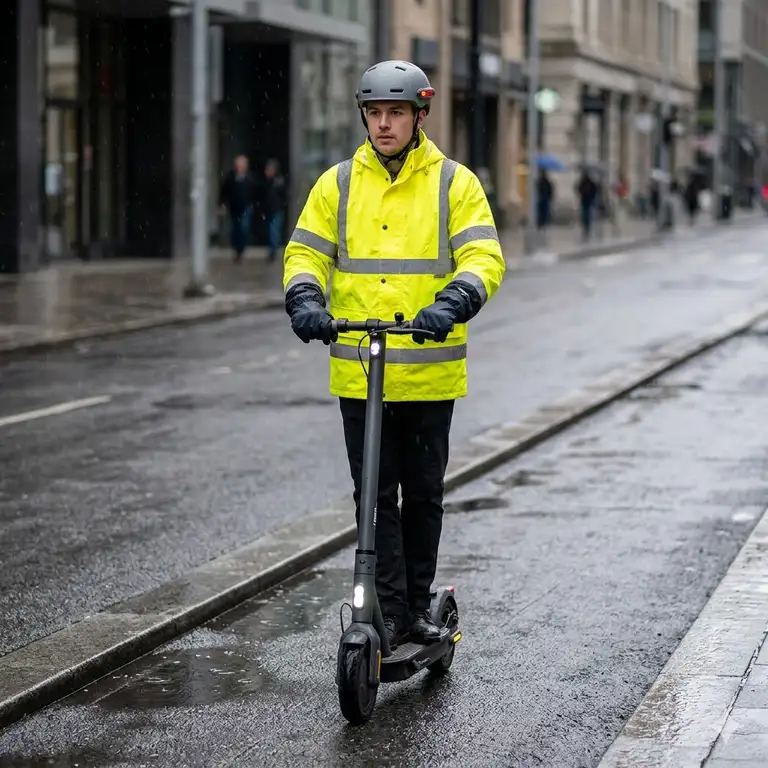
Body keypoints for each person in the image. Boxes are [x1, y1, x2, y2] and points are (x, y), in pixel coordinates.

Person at [282, 60, 505, 648]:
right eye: (375, 113)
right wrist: (304, 296)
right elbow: (306, 250)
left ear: (419, 117)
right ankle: (393, 610)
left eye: (396, 113)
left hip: (429, 373)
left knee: (423, 493)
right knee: (374, 496)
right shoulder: (337, 183)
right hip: (362, 369)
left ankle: (417, 606)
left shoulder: (454, 183)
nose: (383, 124)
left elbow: (484, 257)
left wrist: (453, 301)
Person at [219, 155, 257, 262]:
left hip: (246, 207)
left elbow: (255, 192)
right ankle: (237, 250)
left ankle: (241, 249)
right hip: (234, 207)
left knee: (244, 228)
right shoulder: (230, 177)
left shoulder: (250, 178)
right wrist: (222, 204)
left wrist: (253, 204)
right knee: (235, 229)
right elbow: (224, 192)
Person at [263, 158, 288, 262]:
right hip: (269, 210)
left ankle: (273, 251)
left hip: (277, 210)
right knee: (271, 231)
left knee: (274, 231)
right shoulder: (266, 183)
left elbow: (283, 196)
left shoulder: (279, 182)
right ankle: (272, 250)